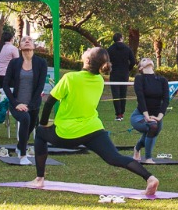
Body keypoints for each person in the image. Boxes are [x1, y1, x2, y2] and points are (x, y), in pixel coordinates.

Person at [32, 46, 158, 197]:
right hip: (93, 129)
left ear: (87, 59)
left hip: (67, 133)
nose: (85, 50)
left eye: (88, 50)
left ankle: (40, 178)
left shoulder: (70, 78)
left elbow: (49, 102)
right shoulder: (99, 80)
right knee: (114, 158)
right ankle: (149, 178)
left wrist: (43, 123)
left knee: (40, 133)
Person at [1, 37, 49, 163]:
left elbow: (40, 86)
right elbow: (5, 85)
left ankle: (19, 147)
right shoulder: (14, 63)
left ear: (34, 46)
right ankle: (22, 155)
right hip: (16, 103)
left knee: (30, 125)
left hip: (33, 105)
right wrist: (16, 103)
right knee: (25, 118)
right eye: (23, 40)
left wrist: (31, 105)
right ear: (20, 46)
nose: (27, 41)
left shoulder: (41, 62)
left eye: (29, 40)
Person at [130, 56, 171, 163]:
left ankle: (137, 148)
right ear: (140, 68)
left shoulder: (162, 80)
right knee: (152, 126)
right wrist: (147, 116)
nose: (147, 59)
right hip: (139, 115)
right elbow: (140, 97)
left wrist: (159, 117)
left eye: (148, 59)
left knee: (153, 129)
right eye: (143, 60)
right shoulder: (139, 78)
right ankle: (148, 158)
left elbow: (166, 99)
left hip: (156, 116)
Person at [107, 32, 135, 119]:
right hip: (124, 73)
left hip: (114, 73)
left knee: (115, 94)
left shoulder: (110, 49)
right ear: (121, 38)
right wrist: (128, 69)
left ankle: (118, 114)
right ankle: (122, 113)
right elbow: (133, 61)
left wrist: (109, 69)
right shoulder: (127, 49)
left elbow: (106, 61)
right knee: (123, 93)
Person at [0, 26, 19, 92]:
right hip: (7, 74)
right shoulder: (13, 48)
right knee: (9, 93)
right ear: (11, 39)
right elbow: (17, 62)